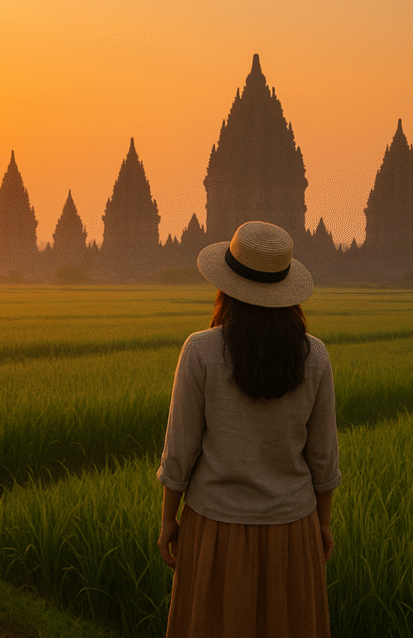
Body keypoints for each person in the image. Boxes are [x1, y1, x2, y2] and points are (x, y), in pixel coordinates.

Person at [156, 221, 341, 638]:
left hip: (215, 526)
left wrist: (168, 520)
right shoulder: (314, 356)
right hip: (293, 528)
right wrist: (323, 526)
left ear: (225, 286)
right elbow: (324, 458)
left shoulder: (201, 350)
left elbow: (179, 451)